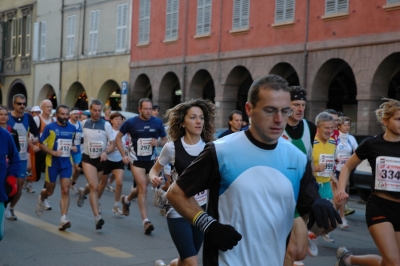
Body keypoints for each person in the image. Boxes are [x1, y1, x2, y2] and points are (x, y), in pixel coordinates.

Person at [166, 74, 341, 265]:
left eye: (285, 111)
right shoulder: (221, 150)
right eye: (270, 110)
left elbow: (313, 225)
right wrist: (209, 225)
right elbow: (176, 193)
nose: (279, 119)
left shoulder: (297, 158)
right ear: (249, 109)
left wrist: (324, 216)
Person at [150, 99, 216, 266]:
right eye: (193, 117)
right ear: (183, 122)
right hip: (177, 208)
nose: (198, 121)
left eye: (201, 117)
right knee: (192, 262)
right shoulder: (171, 148)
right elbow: (154, 169)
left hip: (201, 211)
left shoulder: (212, 148)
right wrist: (153, 177)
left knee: (186, 260)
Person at [335, 98, 400, 266]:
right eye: (398, 119)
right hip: (380, 205)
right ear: (385, 120)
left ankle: (348, 260)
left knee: (392, 263)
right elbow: (347, 167)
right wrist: (341, 189)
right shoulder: (372, 144)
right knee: (394, 262)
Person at [116, 98, 167, 234]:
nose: (148, 111)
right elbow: (118, 138)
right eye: (145, 109)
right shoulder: (131, 122)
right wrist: (123, 155)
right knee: (143, 187)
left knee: (141, 187)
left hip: (150, 160)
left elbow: (164, 140)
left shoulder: (157, 122)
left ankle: (126, 199)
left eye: (150, 109)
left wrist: (158, 144)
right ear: (139, 109)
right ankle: (146, 221)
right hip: (135, 160)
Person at [281, 86, 317, 266]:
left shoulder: (310, 127)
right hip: (280, 192)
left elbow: (309, 159)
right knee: (290, 249)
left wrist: (313, 186)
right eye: (296, 104)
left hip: (302, 192)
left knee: (300, 251)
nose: (300, 108)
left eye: (303, 104)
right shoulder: (277, 126)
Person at [35, 105, 77, 230]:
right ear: (57, 115)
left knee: (65, 190)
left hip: (66, 164)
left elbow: (73, 143)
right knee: (49, 191)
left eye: (66, 114)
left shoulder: (72, 128)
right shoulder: (50, 128)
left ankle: (63, 218)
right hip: (52, 163)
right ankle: (42, 197)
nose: (65, 116)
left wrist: (74, 148)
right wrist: (53, 152)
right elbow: (41, 144)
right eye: (62, 114)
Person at [76, 100, 114, 230]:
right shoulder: (83, 123)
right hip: (87, 158)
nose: (97, 113)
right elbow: (77, 138)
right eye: (95, 110)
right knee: (94, 187)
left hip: (101, 159)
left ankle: (82, 192)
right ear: (90, 110)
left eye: (99, 110)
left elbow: (113, 143)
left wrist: (106, 151)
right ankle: (97, 217)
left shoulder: (106, 125)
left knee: (94, 186)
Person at [6, 94, 39, 221]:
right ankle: (3, 206)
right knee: (4, 183)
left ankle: (10, 208)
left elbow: (36, 134)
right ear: (14, 104)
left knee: (19, 185)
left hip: (22, 157)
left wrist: (35, 139)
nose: (22, 106)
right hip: (7, 158)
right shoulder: (6, 117)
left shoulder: (29, 118)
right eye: (19, 104)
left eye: (24, 104)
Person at [97, 112, 127, 215]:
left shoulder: (124, 133)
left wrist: (125, 151)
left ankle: (116, 205)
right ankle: (97, 202)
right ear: (111, 120)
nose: (119, 121)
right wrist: (109, 150)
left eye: (120, 119)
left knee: (119, 183)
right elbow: (103, 144)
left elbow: (126, 144)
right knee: (102, 184)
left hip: (118, 160)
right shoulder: (108, 131)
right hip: (107, 160)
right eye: (116, 119)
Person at [334, 116, 358, 229]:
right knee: (340, 194)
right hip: (335, 169)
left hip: (346, 169)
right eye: (345, 125)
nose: (347, 127)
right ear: (339, 126)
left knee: (345, 194)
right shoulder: (334, 136)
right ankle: (341, 218)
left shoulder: (351, 138)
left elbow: (357, 152)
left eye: (348, 125)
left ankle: (338, 215)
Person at [0, 125, 20, 241]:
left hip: (0, 191)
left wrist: (11, 177)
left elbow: (15, 159)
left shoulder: (5, 135)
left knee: (0, 234)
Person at [69, 108, 83, 194]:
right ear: (70, 115)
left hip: (77, 149)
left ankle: (73, 183)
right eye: (74, 113)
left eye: (77, 114)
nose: (76, 115)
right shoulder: (67, 124)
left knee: (78, 168)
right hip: (67, 149)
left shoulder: (80, 124)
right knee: (70, 169)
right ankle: (67, 186)